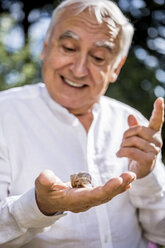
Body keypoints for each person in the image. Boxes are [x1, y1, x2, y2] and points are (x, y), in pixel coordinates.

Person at [0, 0, 165, 247]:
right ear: (45, 48)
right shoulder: (5, 114)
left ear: (116, 68)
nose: (79, 70)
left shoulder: (133, 125)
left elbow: (160, 233)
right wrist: (40, 206)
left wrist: (146, 177)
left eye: (98, 57)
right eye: (68, 48)